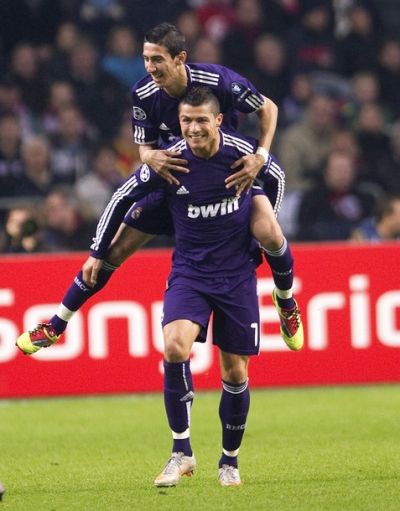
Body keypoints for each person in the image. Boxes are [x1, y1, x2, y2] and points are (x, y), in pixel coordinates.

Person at [17, 87, 303, 486]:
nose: (193, 128)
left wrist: (263, 205)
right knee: (165, 335)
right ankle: (180, 451)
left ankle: (230, 458)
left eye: (201, 120)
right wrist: (95, 250)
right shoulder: (171, 158)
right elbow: (120, 197)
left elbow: (277, 175)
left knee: (236, 370)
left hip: (235, 271)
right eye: (186, 121)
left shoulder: (241, 152)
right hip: (189, 264)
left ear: (219, 120)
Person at [17, 25, 303, 349]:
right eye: (145, 59)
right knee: (112, 251)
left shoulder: (218, 81)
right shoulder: (143, 93)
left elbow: (269, 108)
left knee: (270, 232)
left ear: (180, 58)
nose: (150, 67)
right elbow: (145, 149)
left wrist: (260, 156)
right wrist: (147, 155)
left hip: (226, 178)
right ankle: (55, 326)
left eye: (157, 60)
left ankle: (286, 302)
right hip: (173, 182)